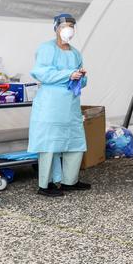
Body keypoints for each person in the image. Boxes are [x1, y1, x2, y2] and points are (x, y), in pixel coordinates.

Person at [28, 13, 91, 197]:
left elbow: (83, 81)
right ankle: (45, 185)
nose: (68, 29)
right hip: (51, 105)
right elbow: (41, 73)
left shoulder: (75, 53)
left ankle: (69, 181)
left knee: (74, 142)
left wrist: (80, 76)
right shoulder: (47, 49)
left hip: (70, 105)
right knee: (49, 144)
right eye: (64, 25)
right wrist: (68, 75)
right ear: (56, 27)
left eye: (71, 25)